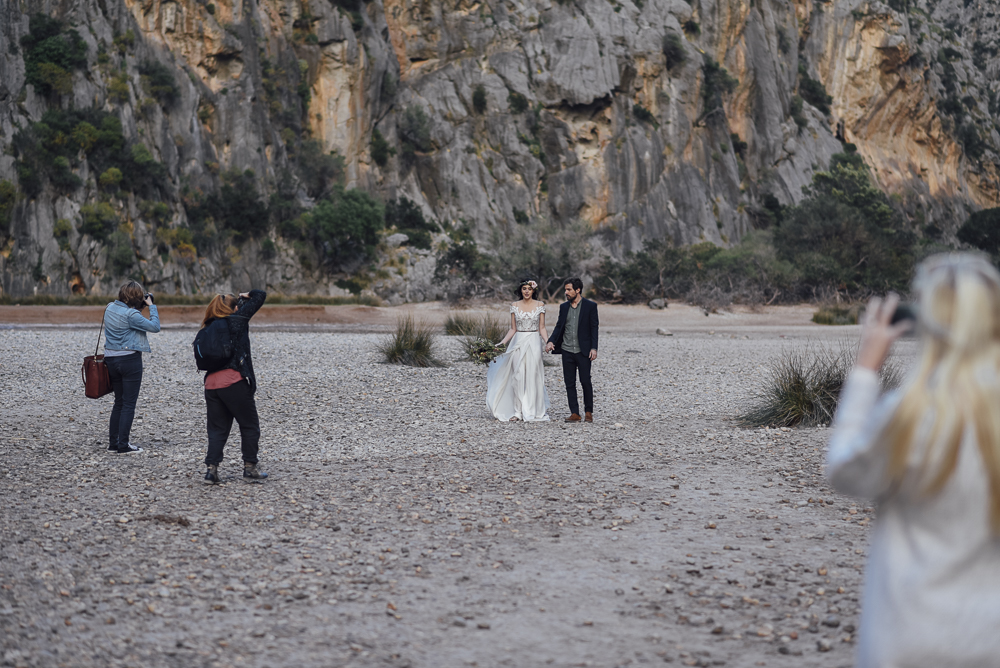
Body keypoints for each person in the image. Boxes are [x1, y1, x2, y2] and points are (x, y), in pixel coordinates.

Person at [827, 253, 1000, 667]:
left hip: (904, 636)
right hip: (987, 637)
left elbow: (844, 472)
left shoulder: (908, 414)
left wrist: (865, 372)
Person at [199, 290, 269, 484]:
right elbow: (260, 296)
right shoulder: (236, 321)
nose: (239, 307)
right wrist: (245, 294)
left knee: (217, 429)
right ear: (232, 308)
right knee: (249, 425)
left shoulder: (207, 326)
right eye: (237, 305)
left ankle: (211, 471)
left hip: (211, 384)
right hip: (233, 382)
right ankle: (250, 468)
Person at [103, 281, 160, 454]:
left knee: (119, 402)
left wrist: (139, 307)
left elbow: (128, 318)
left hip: (111, 359)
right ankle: (124, 445)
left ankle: (114, 443)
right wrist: (151, 306)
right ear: (137, 298)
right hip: (129, 360)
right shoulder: (131, 315)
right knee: (129, 404)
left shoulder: (109, 308)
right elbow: (155, 327)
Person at [486, 279, 550, 422]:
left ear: (533, 290)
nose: (526, 291)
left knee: (533, 374)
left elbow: (542, 328)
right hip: (518, 341)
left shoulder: (540, 305)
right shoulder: (514, 306)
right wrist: (501, 343)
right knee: (517, 375)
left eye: (529, 288)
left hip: (534, 340)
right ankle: (517, 411)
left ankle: (532, 410)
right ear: (520, 291)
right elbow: (513, 328)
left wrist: (548, 342)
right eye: (524, 289)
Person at [545, 278, 599, 422]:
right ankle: (575, 413)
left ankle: (588, 412)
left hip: (584, 351)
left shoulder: (590, 306)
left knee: (585, 381)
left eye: (569, 290)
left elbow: (594, 328)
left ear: (578, 290)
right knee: (569, 383)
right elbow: (559, 327)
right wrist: (551, 341)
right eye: (565, 290)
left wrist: (594, 348)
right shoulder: (563, 307)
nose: (566, 292)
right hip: (567, 350)